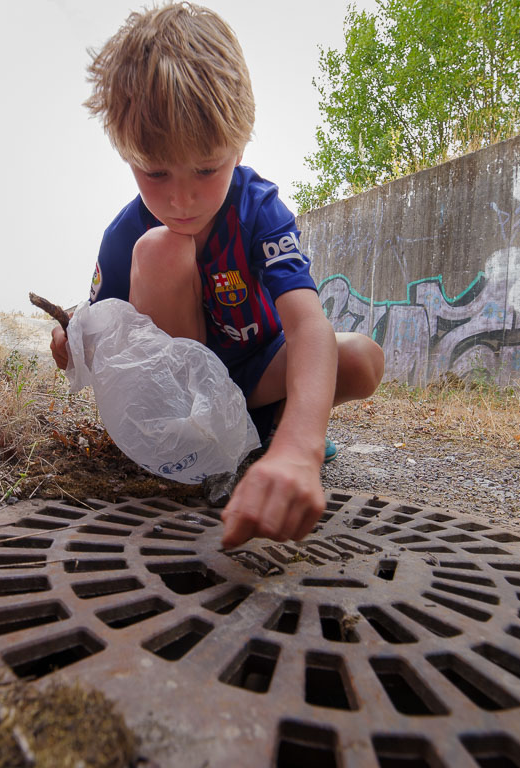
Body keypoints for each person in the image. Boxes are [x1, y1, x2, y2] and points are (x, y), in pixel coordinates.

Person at [50, 2, 384, 549]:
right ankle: (209, 452)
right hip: (184, 396)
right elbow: (101, 328)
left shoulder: (259, 209)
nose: (181, 197)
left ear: (241, 142)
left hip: (253, 373)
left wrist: (300, 448)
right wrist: (72, 337)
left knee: (361, 359)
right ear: (126, 153)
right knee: (161, 247)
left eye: (207, 169)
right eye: (155, 172)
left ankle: (266, 433)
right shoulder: (126, 237)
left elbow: (306, 326)